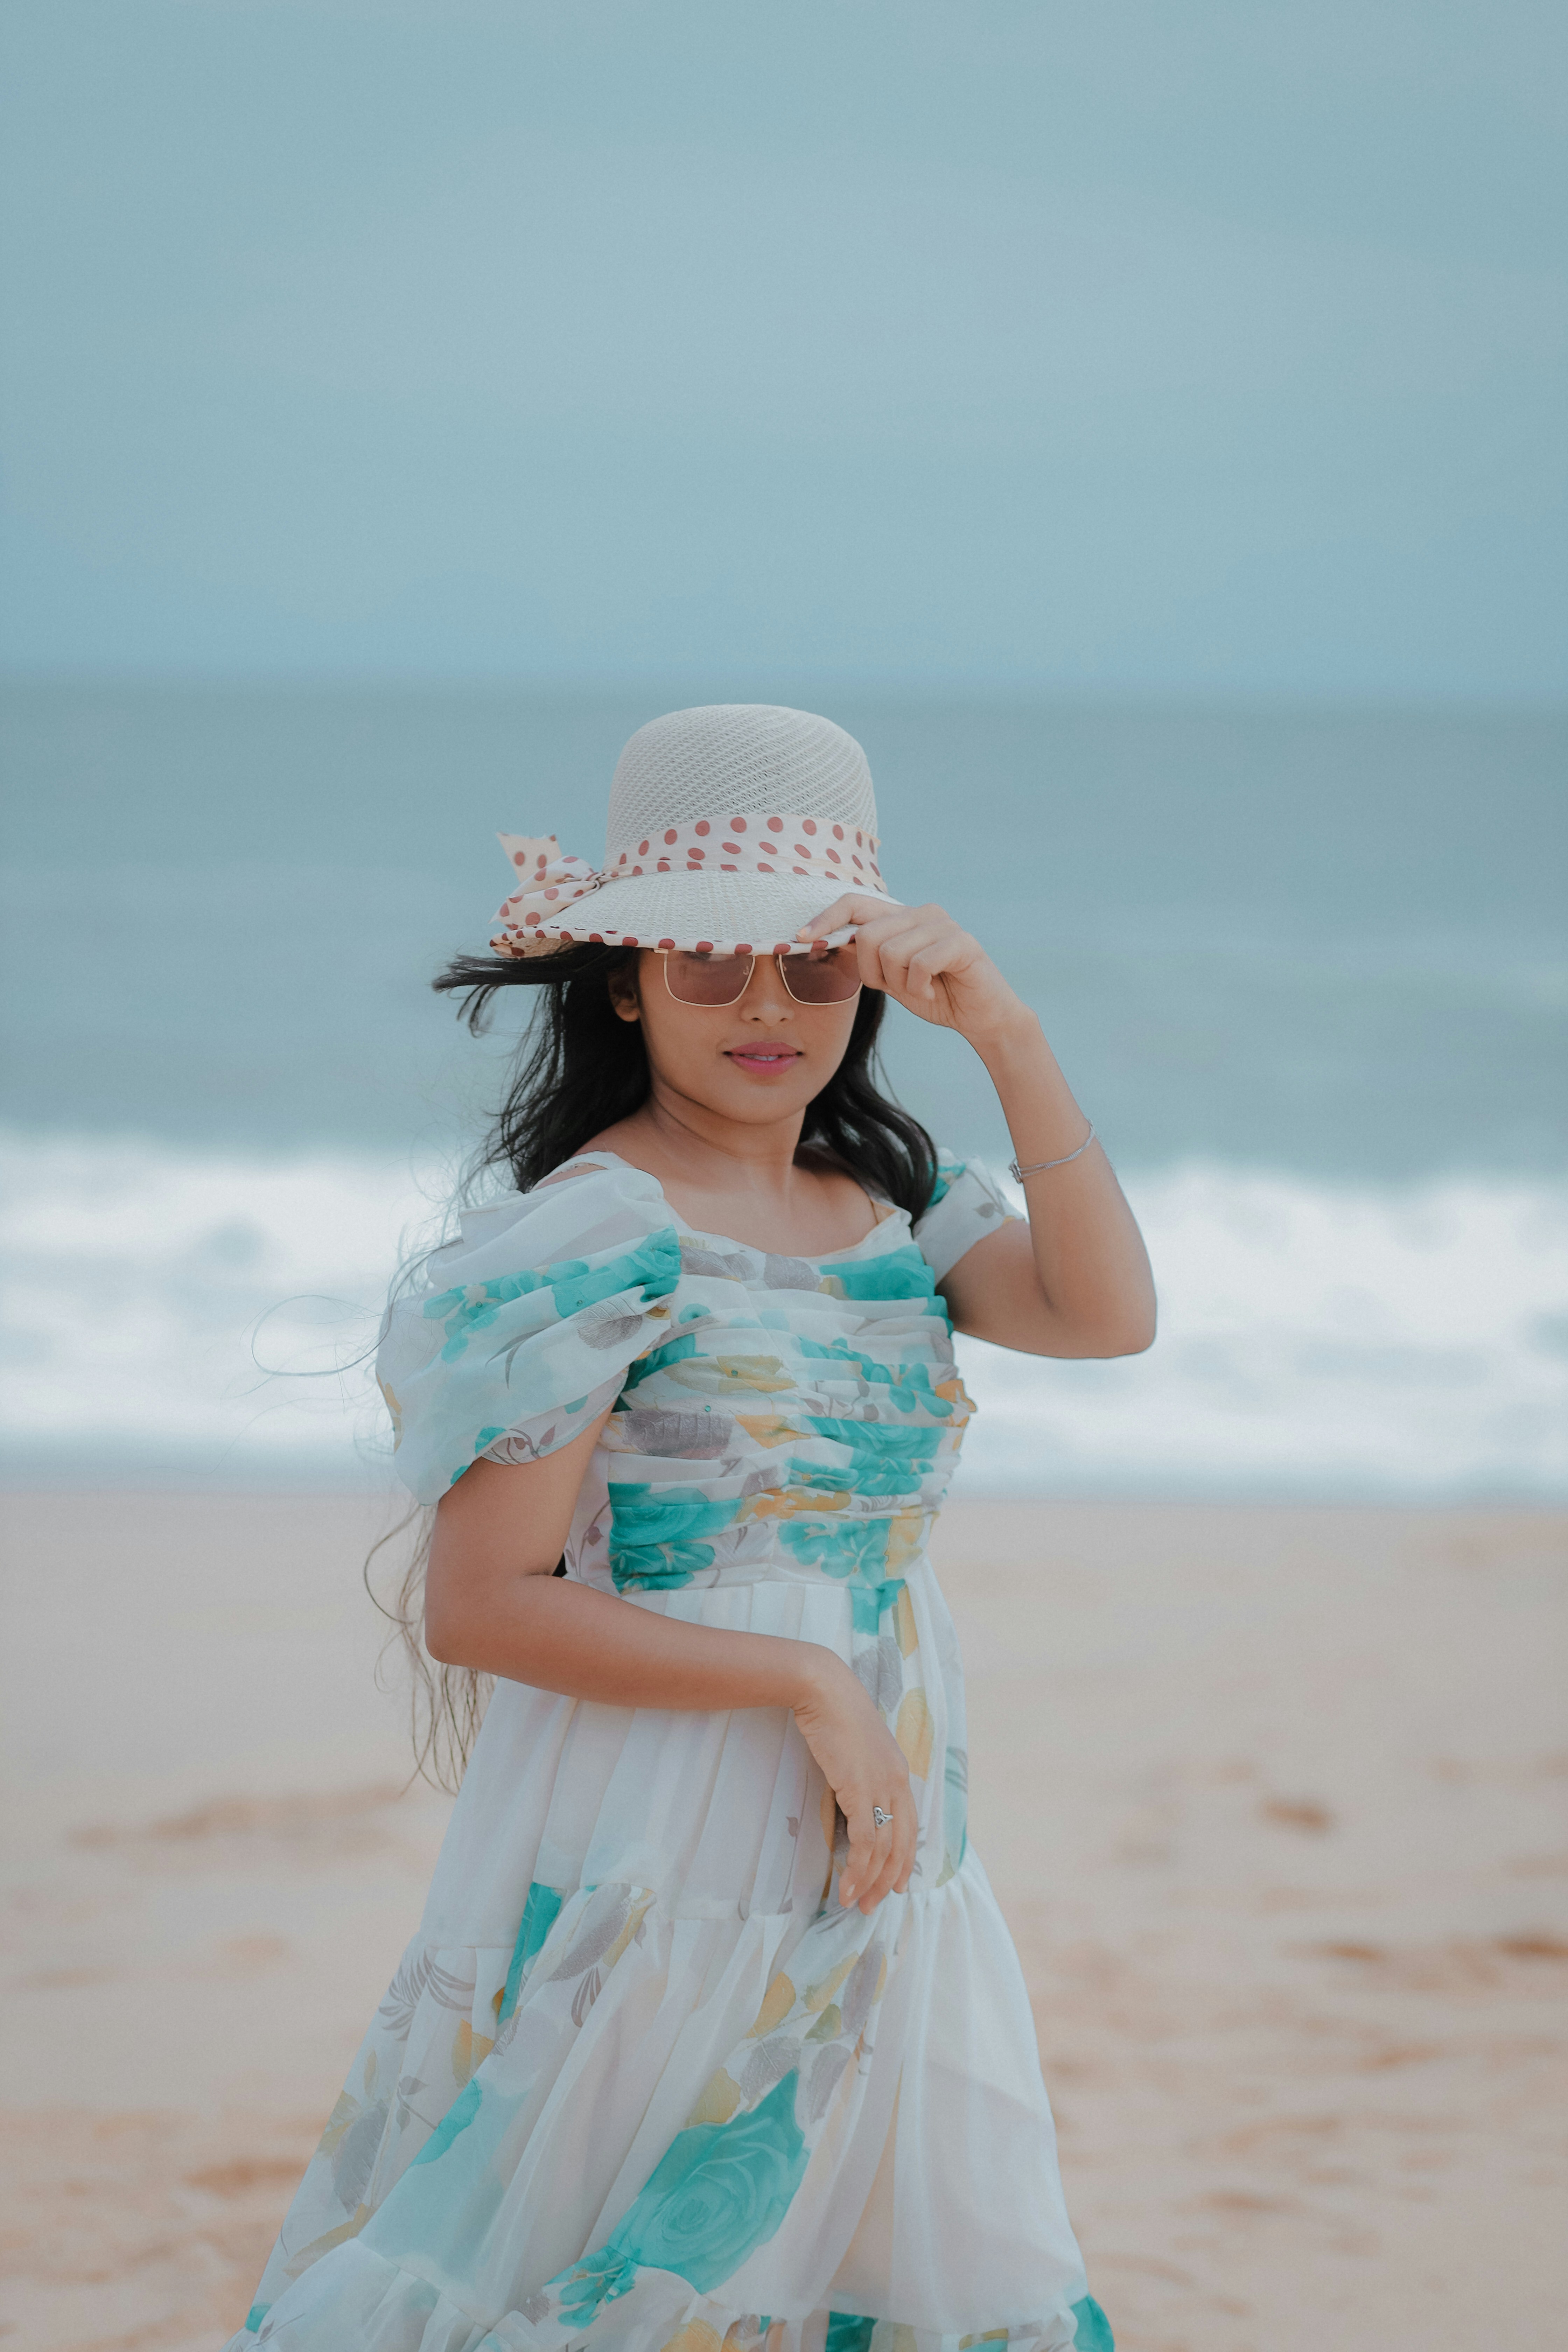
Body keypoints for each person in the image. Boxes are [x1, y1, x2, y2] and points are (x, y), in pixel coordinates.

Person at [226, 705, 1154, 2352]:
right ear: (624, 978)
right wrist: (807, 1691)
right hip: (668, 1814)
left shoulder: (898, 1203)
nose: (766, 1008)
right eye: (711, 963)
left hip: (880, 1813)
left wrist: (1005, 1029)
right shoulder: (594, 1230)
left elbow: (1103, 1317)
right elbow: (483, 1604)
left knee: (831, 2235)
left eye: (810, 964)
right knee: (607, 2242)